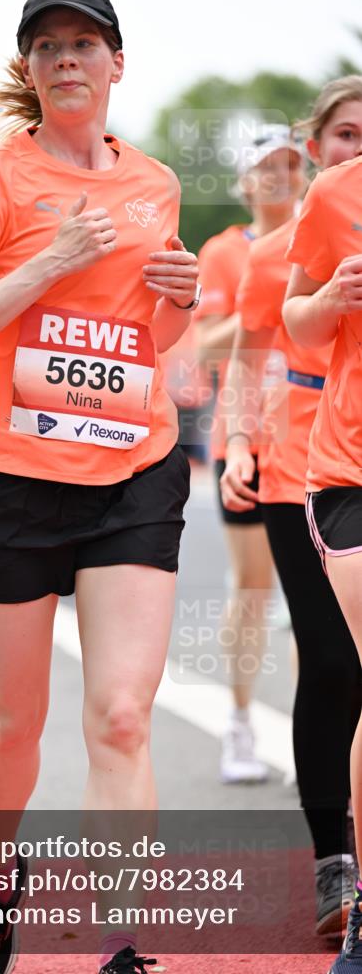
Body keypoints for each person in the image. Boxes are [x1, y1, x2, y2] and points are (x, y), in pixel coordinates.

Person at [0, 0, 199, 974]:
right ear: (29, 70)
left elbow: (148, 341)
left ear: (116, 63)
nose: (66, 59)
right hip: (12, 478)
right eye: (46, 47)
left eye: (84, 43)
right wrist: (48, 264)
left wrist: (182, 300)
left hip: (133, 469)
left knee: (121, 714)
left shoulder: (155, 183)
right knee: (13, 722)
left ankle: (124, 942)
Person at [219, 76, 362, 937]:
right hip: (297, 470)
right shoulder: (277, 250)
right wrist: (237, 443)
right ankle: (331, 862)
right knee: (332, 663)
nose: (355, 148)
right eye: (343, 134)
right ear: (315, 148)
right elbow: (244, 356)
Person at [194, 123, 306, 784]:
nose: (280, 176)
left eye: (290, 165)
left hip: (314, 440)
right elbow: (204, 346)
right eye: (266, 166)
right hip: (245, 440)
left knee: (314, 600)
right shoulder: (223, 252)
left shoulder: (323, 240)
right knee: (253, 587)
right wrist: (267, 302)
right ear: (244, 181)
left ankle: (311, 735)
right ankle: (238, 725)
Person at [281, 147, 362, 972]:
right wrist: (331, 298)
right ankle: (359, 899)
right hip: (350, 469)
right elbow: (292, 322)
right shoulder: (336, 193)